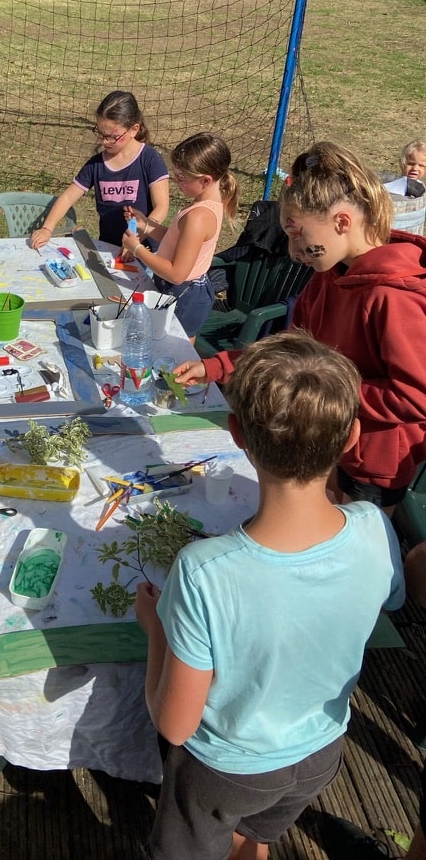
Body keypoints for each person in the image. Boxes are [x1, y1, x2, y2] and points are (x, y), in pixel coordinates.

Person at [135, 331, 404, 860]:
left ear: (236, 433)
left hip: (226, 770)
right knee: (253, 838)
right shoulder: (374, 525)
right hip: (322, 753)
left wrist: (155, 630)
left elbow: (173, 723)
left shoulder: (203, 570)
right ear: (352, 437)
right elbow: (387, 601)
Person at [175, 140, 426, 508]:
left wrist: (324, 390)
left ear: (342, 222)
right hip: (322, 440)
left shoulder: (393, 296)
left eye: (297, 234)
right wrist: (219, 365)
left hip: (369, 464)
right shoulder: (328, 275)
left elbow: (415, 396)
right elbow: (293, 354)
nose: (294, 252)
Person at [121, 131, 238, 339]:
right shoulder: (202, 204)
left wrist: (136, 248)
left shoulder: (199, 217)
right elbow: (176, 241)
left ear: (205, 180)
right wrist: (146, 225)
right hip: (180, 289)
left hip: (184, 295)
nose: (176, 181)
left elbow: (176, 274)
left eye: (182, 177)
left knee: (175, 352)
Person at [29, 90, 170, 250]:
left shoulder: (150, 159)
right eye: (101, 134)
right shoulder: (96, 165)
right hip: (108, 249)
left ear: (133, 129)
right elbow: (68, 198)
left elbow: (162, 206)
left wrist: (137, 240)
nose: (105, 141)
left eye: (112, 136)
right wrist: (47, 228)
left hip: (145, 249)